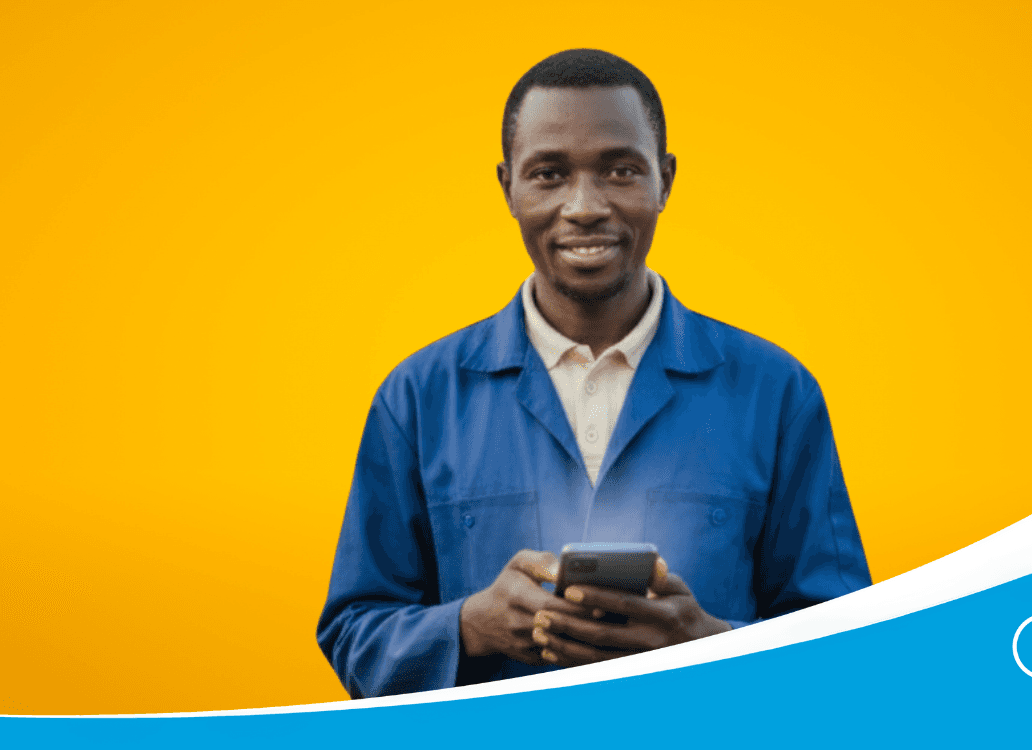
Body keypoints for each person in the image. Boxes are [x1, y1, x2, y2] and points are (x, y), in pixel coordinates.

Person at [317, 49, 871, 698]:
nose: (584, 206)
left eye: (620, 170)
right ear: (507, 188)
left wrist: (706, 644)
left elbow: (849, 648)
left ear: (665, 180)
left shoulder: (776, 393)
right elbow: (354, 634)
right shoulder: (416, 400)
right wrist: (470, 626)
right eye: (548, 174)